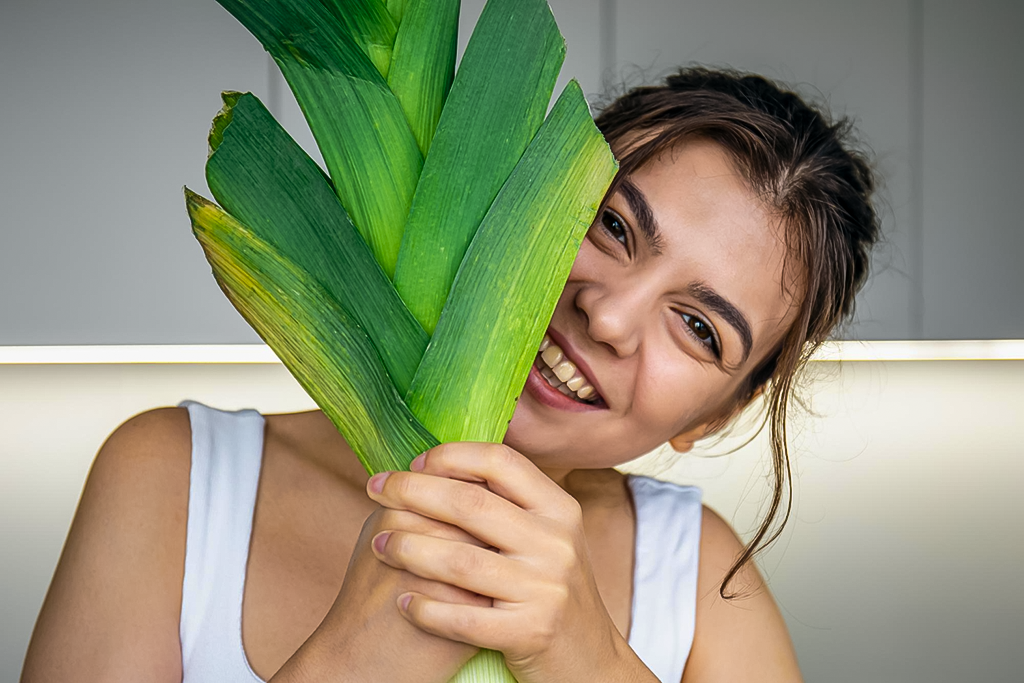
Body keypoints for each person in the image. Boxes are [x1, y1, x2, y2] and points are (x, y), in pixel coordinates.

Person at [21, 67, 878, 683]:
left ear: (718, 415)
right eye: (613, 227)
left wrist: (587, 658)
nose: (607, 316)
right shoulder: (178, 476)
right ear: (525, 192)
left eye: (698, 327)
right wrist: (357, 657)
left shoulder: (695, 576)